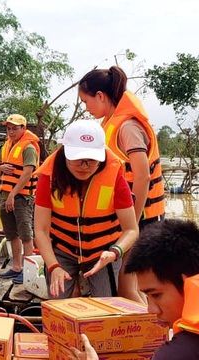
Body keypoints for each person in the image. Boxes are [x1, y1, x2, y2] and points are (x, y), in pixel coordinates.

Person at [78, 66, 165, 303]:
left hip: (143, 219)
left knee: (128, 288)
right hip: (136, 219)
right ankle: (155, 332)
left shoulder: (127, 127)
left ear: (100, 96)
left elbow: (143, 176)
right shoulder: (112, 123)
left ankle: (155, 334)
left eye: (86, 101)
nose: (86, 107)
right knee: (133, 287)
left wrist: (132, 225)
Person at [34, 120, 138, 299]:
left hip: (103, 253)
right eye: (78, 159)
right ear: (65, 152)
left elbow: (131, 229)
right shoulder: (48, 177)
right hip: (61, 252)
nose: (85, 166)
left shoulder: (114, 176)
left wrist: (114, 252)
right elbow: (41, 229)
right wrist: (53, 266)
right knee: (58, 308)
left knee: (106, 307)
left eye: (91, 159)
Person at [71, 219, 199, 360]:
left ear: (185, 282)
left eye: (156, 295)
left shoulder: (179, 353)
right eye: (147, 297)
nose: (151, 309)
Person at [0, 114, 40, 284]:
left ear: (23, 129)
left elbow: (28, 173)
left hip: (22, 197)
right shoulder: (6, 146)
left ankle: (28, 270)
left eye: (15, 128)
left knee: (26, 234)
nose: (11, 131)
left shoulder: (29, 148)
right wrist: (1, 168)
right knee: (11, 233)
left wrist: (13, 194)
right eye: (9, 128)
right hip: (5, 197)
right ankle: (17, 267)